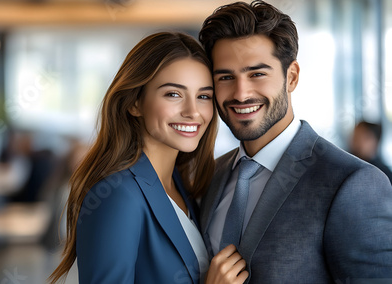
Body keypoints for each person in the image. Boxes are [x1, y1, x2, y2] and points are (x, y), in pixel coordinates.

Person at [198, 1, 392, 283]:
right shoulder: (211, 175)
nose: (241, 94)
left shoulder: (354, 183)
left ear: (291, 77)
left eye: (257, 74)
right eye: (226, 77)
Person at [49, 31, 248, 284]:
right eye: (173, 94)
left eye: (203, 96)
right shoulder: (118, 195)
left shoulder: (181, 186)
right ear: (134, 103)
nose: (192, 112)